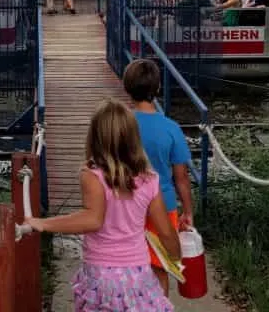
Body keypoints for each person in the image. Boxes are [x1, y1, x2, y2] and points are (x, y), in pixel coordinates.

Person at [23, 99, 179, 312]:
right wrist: (176, 256)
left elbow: (92, 219)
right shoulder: (149, 179)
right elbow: (165, 232)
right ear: (134, 137)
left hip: (102, 276)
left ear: (95, 138)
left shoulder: (93, 176)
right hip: (138, 274)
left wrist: (43, 223)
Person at [122, 60, 193, 296]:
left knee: (128, 267)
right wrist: (188, 211)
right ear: (158, 89)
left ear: (127, 88)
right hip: (164, 204)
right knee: (160, 267)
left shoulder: (122, 126)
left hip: (127, 203)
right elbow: (181, 177)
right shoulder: (171, 128)